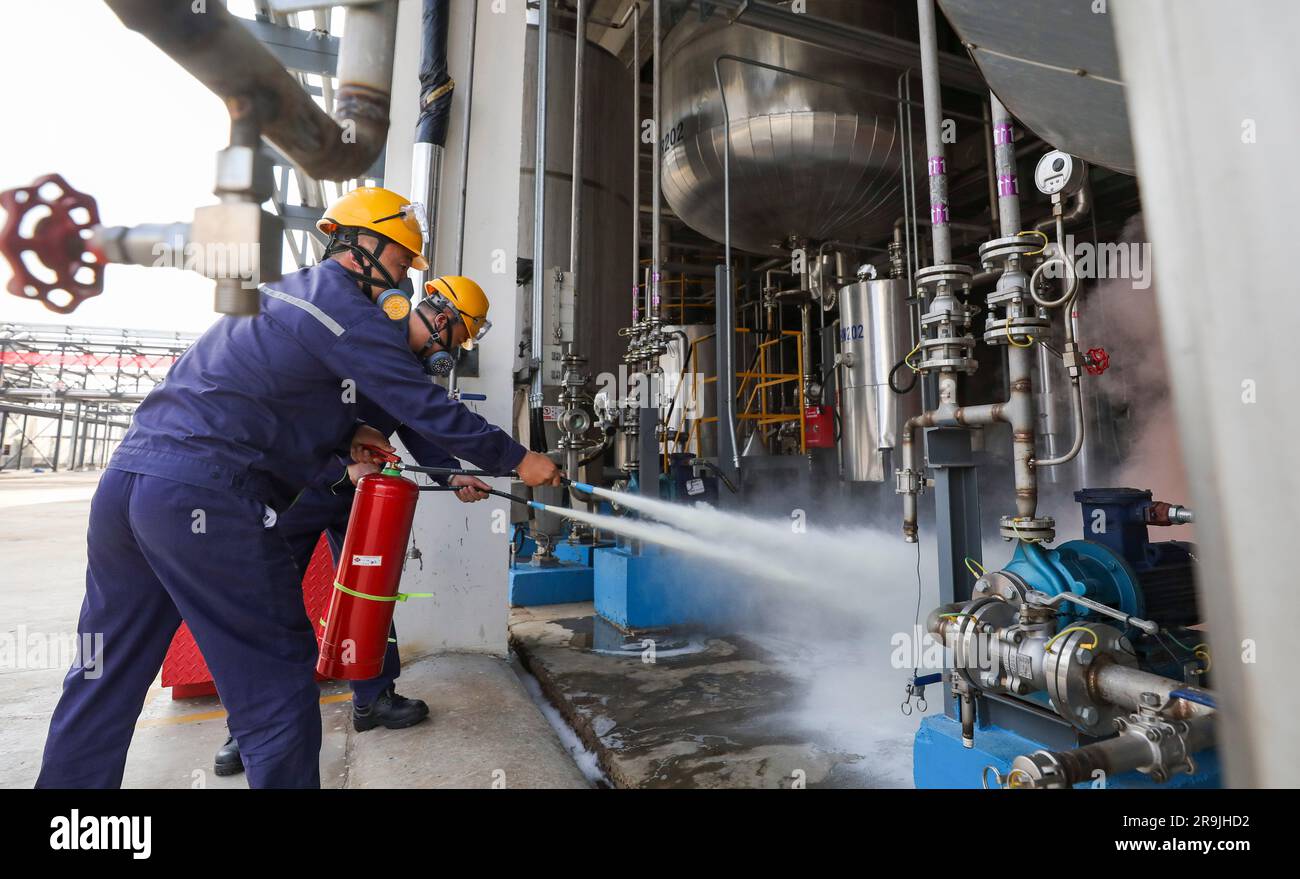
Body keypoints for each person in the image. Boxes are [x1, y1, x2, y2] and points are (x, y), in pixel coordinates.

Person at [37, 187, 559, 788]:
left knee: (106, 667)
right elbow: (424, 410)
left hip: (131, 483)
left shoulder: (283, 293)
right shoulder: (353, 315)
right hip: (206, 496)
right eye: (399, 264)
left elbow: (268, 399)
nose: (404, 282)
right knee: (278, 684)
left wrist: (345, 440)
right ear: (365, 244)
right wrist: (519, 460)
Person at [212, 380, 490, 776]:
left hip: (361, 497)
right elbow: (295, 420)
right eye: (459, 332)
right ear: (437, 318)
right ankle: (249, 726)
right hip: (297, 492)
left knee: (372, 593)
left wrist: (451, 475)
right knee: (266, 603)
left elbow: (416, 425)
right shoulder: (339, 353)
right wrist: (342, 468)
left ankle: (374, 696)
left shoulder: (401, 371)